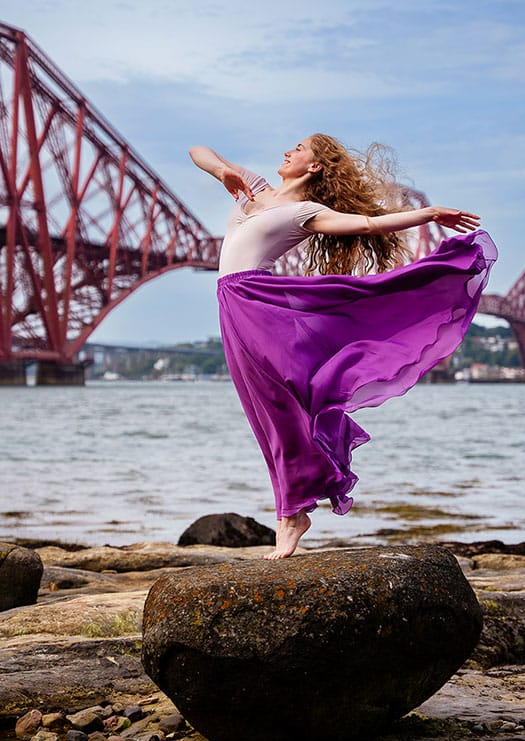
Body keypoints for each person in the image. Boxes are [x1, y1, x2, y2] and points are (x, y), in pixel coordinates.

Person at [189, 134, 497, 560]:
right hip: (232, 304)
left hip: (260, 302)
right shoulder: (254, 187)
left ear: (314, 167)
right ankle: (293, 506)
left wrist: (427, 214)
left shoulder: (305, 212)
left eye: (298, 149)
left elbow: (368, 225)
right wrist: (223, 171)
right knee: (262, 410)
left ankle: (291, 512)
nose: (287, 151)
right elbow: (199, 151)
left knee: (283, 404)